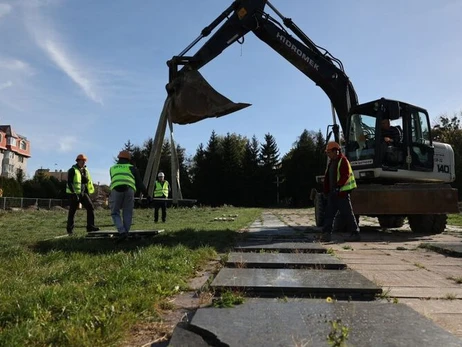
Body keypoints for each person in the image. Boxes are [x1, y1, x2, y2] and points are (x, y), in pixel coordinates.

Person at [321, 142, 361, 242]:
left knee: (347, 214)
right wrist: (326, 191)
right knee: (328, 215)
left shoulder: (343, 160)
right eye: (327, 153)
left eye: (329, 152)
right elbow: (328, 179)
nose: (328, 154)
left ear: (336, 151)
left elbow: (345, 176)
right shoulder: (332, 162)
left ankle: (355, 234)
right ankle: (326, 235)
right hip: (333, 194)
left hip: (341, 193)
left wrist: (338, 187)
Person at [109, 150, 152, 238]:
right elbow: (139, 184)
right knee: (127, 212)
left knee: (115, 212)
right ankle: (126, 232)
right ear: (129, 159)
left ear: (119, 158)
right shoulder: (132, 168)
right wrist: (147, 195)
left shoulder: (112, 168)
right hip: (129, 190)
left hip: (116, 190)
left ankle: (122, 232)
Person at [66, 153, 99, 235]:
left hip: (83, 193)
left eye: (84, 161)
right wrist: (73, 193)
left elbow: (86, 182)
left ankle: (90, 226)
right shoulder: (72, 170)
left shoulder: (85, 170)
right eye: (82, 161)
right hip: (74, 194)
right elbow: (69, 182)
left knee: (90, 207)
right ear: (78, 161)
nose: (83, 162)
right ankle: (70, 230)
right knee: (72, 211)